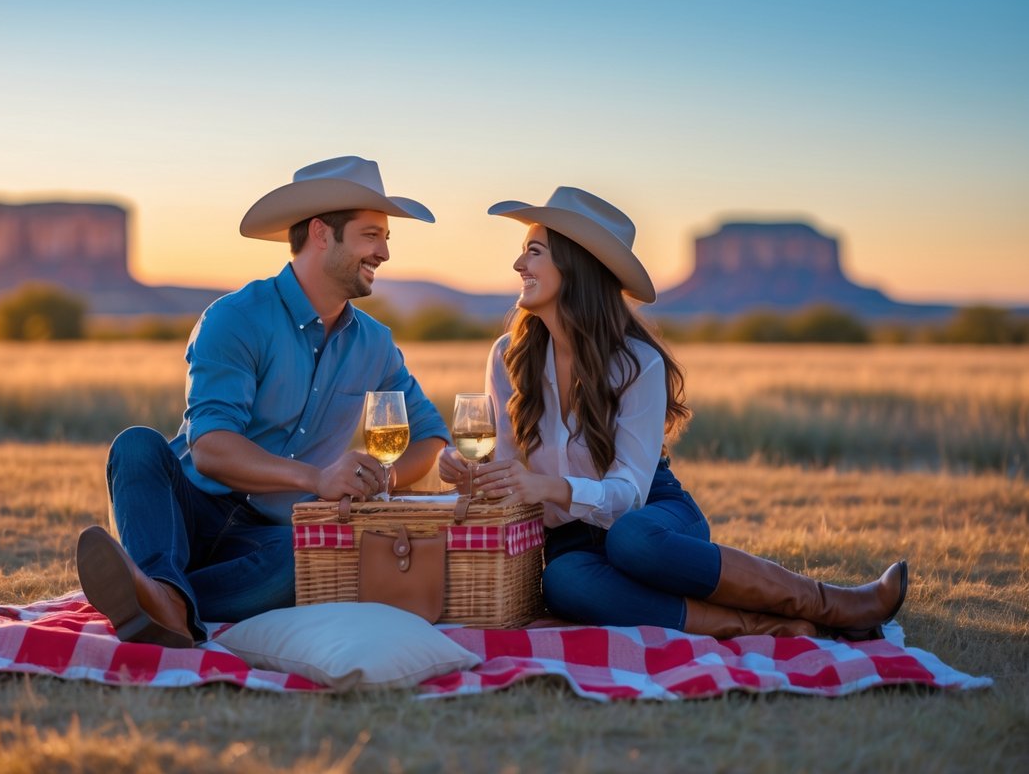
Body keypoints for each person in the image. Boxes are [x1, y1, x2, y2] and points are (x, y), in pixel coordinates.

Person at [438, 186, 907, 639]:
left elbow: (628, 493)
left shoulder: (638, 362)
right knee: (564, 583)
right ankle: (759, 626)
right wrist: (471, 474)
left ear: (575, 263)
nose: (518, 263)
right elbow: (506, 465)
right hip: (571, 537)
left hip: (653, 513)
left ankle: (832, 603)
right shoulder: (508, 357)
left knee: (631, 541)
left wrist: (551, 486)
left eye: (534, 251)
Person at [77, 156, 450, 647]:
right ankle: (160, 588)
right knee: (137, 447)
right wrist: (316, 478)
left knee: (308, 564)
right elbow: (210, 447)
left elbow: (430, 436)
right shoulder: (234, 318)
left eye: (385, 238)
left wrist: (384, 477)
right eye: (371, 235)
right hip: (186, 511)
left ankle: (159, 598)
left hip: (272, 537)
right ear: (321, 233)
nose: (383, 252)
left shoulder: (375, 344)